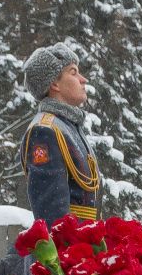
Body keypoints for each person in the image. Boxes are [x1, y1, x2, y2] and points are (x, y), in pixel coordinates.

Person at [18, 42, 102, 226]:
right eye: (73, 72)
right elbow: (52, 217)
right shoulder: (44, 131)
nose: (83, 79)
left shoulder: (68, 127)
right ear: (54, 83)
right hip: (67, 249)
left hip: (85, 244)